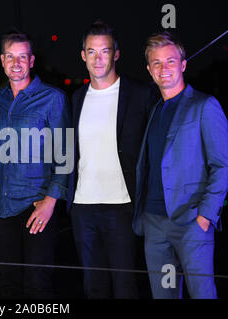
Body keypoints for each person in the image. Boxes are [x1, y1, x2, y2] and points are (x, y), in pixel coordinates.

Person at [132, 31, 228, 298]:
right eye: (156, 63)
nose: (163, 69)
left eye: (170, 61)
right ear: (149, 69)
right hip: (154, 223)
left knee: (202, 294)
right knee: (163, 295)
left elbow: (222, 166)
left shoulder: (204, 106)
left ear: (183, 64)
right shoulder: (155, 110)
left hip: (190, 222)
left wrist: (205, 216)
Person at [66, 21, 153, 298]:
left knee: (126, 286)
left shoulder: (140, 94)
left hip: (122, 206)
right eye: (91, 52)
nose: (98, 58)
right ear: (83, 55)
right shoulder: (76, 98)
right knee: (93, 287)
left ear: (116, 53)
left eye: (104, 51)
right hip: (83, 207)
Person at [0, 30, 70, 298]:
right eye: (10, 56)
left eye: (22, 56)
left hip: (35, 206)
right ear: (2, 60)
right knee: (6, 285)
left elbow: (65, 153)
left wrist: (51, 201)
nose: (16, 62)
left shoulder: (52, 98)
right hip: (0, 208)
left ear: (32, 61)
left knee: (37, 286)